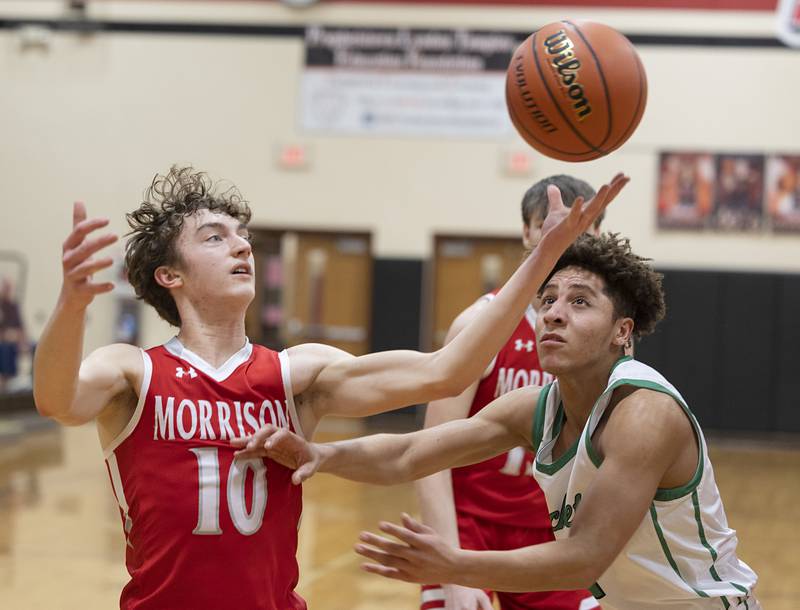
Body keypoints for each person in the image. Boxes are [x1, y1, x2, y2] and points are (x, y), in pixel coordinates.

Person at [32, 165, 627, 610]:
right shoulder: (133, 371)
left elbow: (446, 370)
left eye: (242, 236)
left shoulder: (298, 374)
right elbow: (57, 400)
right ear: (170, 276)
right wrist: (72, 304)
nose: (240, 244)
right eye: (214, 237)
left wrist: (546, 254)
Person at [237, 233, 760, 610]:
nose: (553, 314)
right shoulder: (536, 407)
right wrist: (323, 455)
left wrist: (454, 565)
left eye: (580, 303)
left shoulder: (644, 411)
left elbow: (584, 559)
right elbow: (411, 453)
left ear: (623, 331)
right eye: (548, 300)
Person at [415, 176, 600, 610]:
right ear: (527, 232)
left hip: (553, 530)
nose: (569, 234)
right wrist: (453, 572)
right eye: (549, 222)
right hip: (469, 527)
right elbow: (427, 458)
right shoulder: (481, 325)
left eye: (584, 225)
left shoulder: (609, 336)